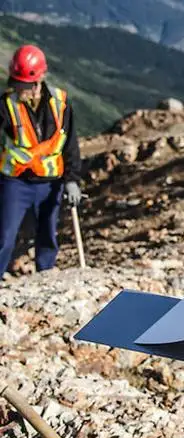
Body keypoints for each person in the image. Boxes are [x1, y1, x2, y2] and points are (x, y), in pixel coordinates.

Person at [0, 44, 82, 276]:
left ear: (38, 82)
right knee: (5, 237)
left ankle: (45, 278)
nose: (18, 88)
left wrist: (72, 179)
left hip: (50, 183)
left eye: (23, 84)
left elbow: (70, 144)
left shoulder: (61, 103)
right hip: (16, 183)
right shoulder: (6, 105)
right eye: (16, 83)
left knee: (47, 236)